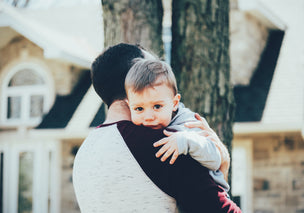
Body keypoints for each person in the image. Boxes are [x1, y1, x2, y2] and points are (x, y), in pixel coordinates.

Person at [73, 43, 241, 213]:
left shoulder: (84, 153)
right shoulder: (164, 144)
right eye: (151, 68)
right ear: (135, 76)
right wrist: (222, 163)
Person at [124, 58, 229, 192]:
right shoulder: (135, 129)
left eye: (157, 106)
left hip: (213, 200)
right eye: (139, 109)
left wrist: (186, 140)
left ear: (174, 103)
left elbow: (215, 161)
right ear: (129, 106)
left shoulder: (189, 124)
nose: (148, 117)